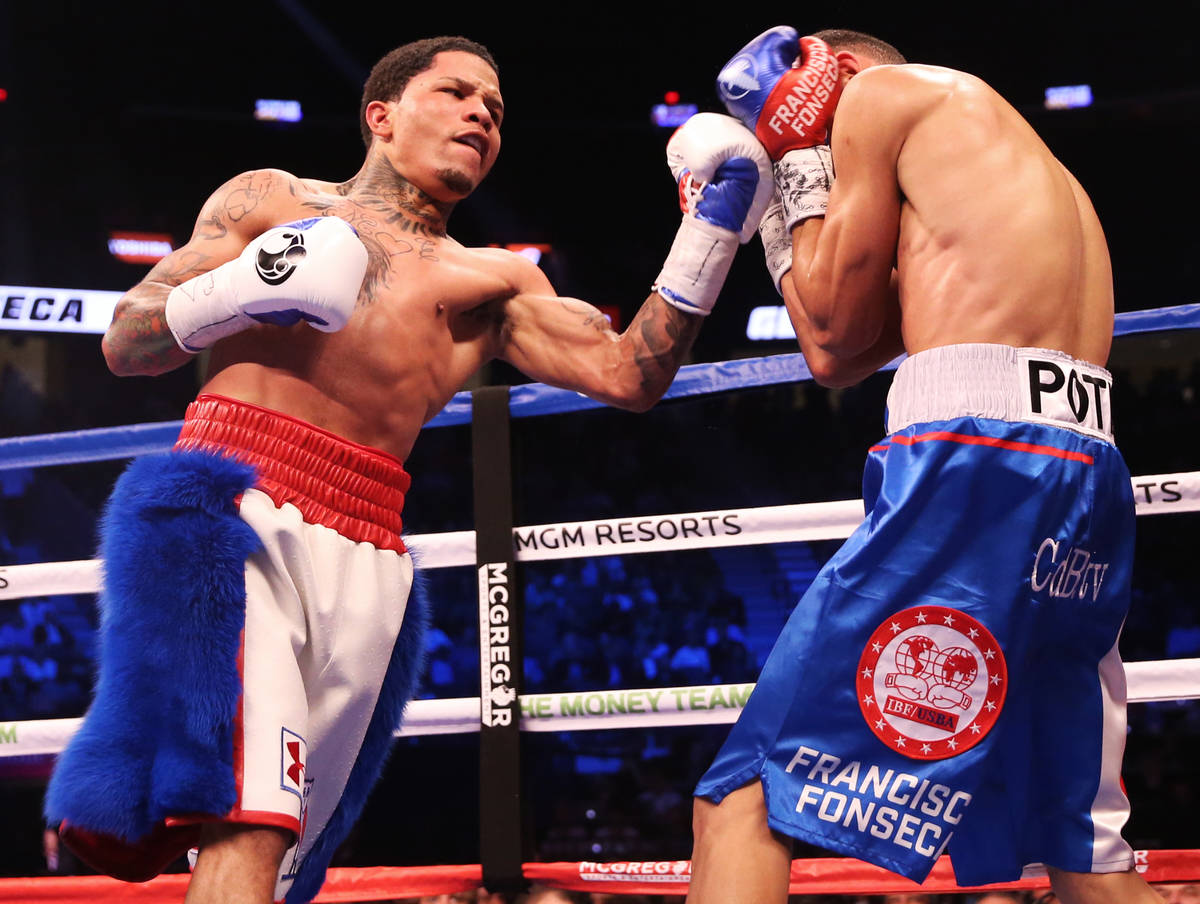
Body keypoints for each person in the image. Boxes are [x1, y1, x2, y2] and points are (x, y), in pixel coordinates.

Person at [41, 35, 774, 904]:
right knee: (251, 815)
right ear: (381, 116)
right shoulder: (270, 201)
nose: (481, 116)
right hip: (230, 510)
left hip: (368, 551)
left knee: (283, 857)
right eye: (459, 93)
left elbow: (628, 375)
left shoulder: (495, 281)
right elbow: (127, 342)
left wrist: (709, 230)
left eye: (496, 111)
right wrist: (238, 288)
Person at [686, 25, 1157, 904]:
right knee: (1086, 857)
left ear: (837, 70)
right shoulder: (1012, 170)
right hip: (1083, 483)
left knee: (746, 797)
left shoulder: (881, 94)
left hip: (975, 470)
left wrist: (788, 164)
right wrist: (777, 211)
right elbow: (838, 354)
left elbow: (822, 328)